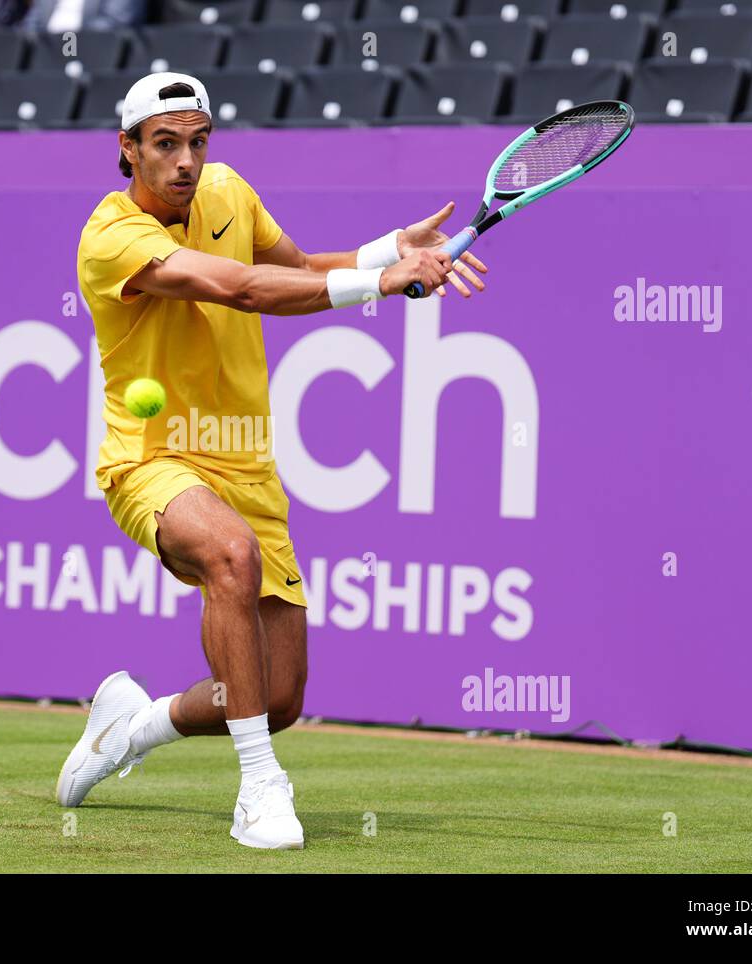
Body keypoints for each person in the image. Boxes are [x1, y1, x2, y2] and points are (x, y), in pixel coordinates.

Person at [57, 71, 488, 850]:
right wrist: (385, 284)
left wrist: (384, 249)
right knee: (229, 554)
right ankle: (260, 787)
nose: (186, 161)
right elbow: (243, 290)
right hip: (151, 460)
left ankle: (133, 724)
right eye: (165, 145)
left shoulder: (228, 191)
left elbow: (290, 267)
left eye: (197, 141)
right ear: (127, 151)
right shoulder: (109, 236)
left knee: (276, 695)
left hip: (247, 466)